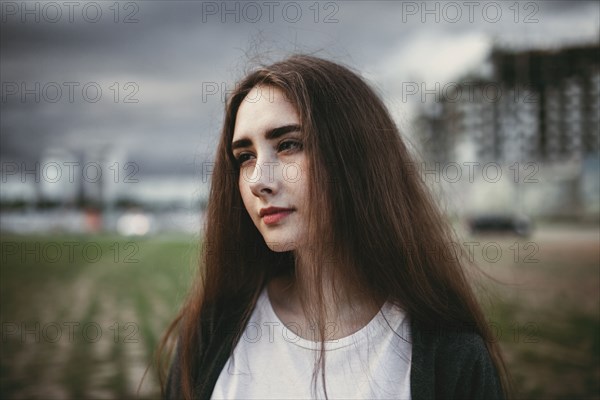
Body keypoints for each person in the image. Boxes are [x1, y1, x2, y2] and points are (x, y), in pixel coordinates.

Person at [158, 55, 510, 399]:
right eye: (245, 156)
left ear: (357, 158)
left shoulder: (450, 355)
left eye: (288, 145)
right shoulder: (211, 330)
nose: (257, 181)